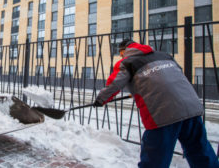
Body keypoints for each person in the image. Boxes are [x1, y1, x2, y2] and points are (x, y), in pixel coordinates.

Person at [93, 39, 219, 168]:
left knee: (155, 158)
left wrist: (100, 100)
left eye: (121, 53)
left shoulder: (127, 62)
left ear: (124, 51)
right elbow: (172, 77)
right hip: (191, 107)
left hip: (162, 113)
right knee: (200, 151)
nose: (121, 56)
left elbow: (114, 85)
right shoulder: (164, 55)